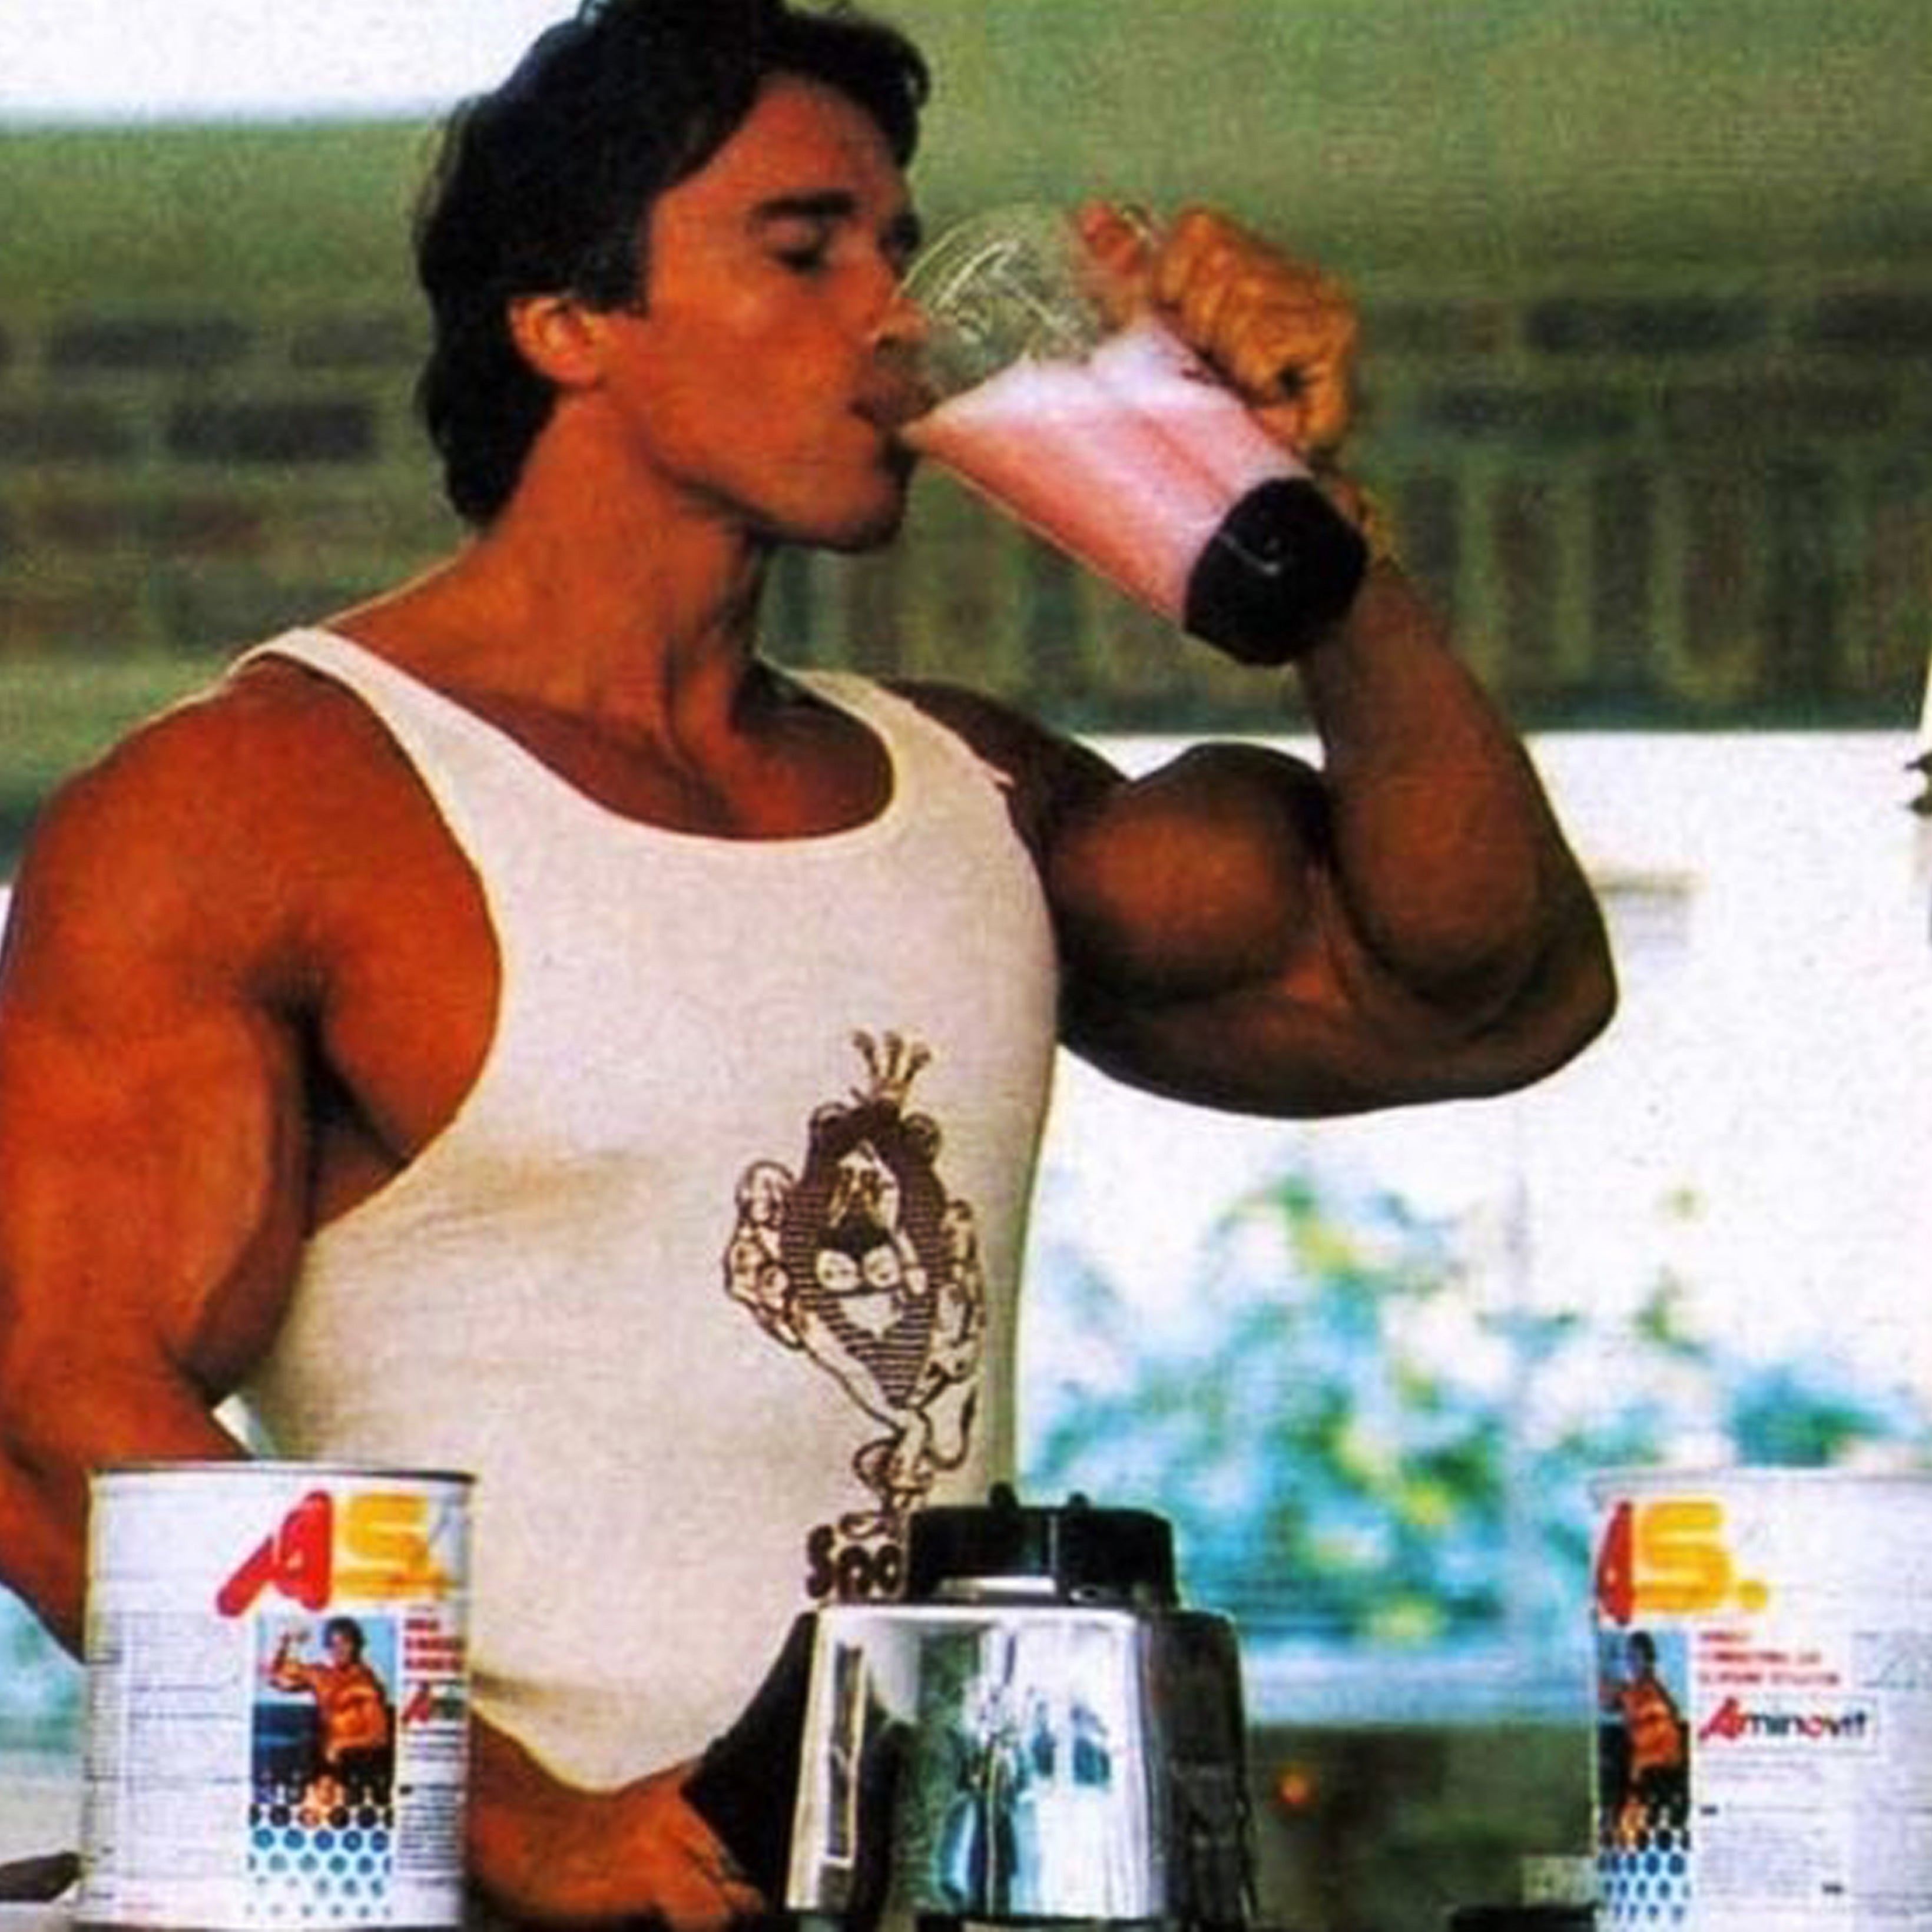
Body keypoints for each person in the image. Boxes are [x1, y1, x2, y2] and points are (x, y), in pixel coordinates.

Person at [0, 0, 1615, 1923]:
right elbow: (49, 1406)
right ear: (566, 319)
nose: (892, 318)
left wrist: (1298, 530)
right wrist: (520, 1824)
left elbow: (1478, 986)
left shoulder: (970, 795)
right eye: (804, 249)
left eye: (897, 248)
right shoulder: (261, 801)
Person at [267, 1616, 396, 1812]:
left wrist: (342, 1744)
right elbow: (276, 1679)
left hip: (355, 1761)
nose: (339, 1650)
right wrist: (286, 1642)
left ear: (357, 1645)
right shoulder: (321, 1675)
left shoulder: (367, 1686)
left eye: (345, 1643)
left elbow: (380, 1737)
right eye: (333, 1645)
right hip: (324, 1760)